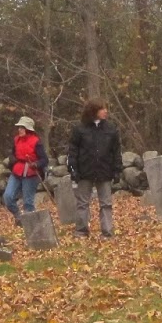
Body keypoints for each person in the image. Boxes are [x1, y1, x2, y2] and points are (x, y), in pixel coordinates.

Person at [68, 100, 123, 237]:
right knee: (83, 203)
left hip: (104, 170)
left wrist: (117, 170)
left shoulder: (111, 129)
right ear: (94, 111)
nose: (106, 111)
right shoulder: (79, 129)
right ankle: (81, 230)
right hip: (85, 171)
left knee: (106, 203)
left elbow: (116, 151)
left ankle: (107, 231)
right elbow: (73, 151)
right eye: (102, 109)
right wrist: (73, 169)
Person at [3, 116, 48, 217]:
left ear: (28, 129)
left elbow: (44, 160)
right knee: (8, 197)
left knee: (28, 203)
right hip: (17, 171)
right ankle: (18, 216)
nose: (19, 129)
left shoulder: (36, 142)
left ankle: (30, 225)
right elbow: (12, 153)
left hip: (31, 174)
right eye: (19, 127)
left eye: (22, 127)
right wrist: (12, 158)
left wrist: (36, 164)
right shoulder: (16, 140)